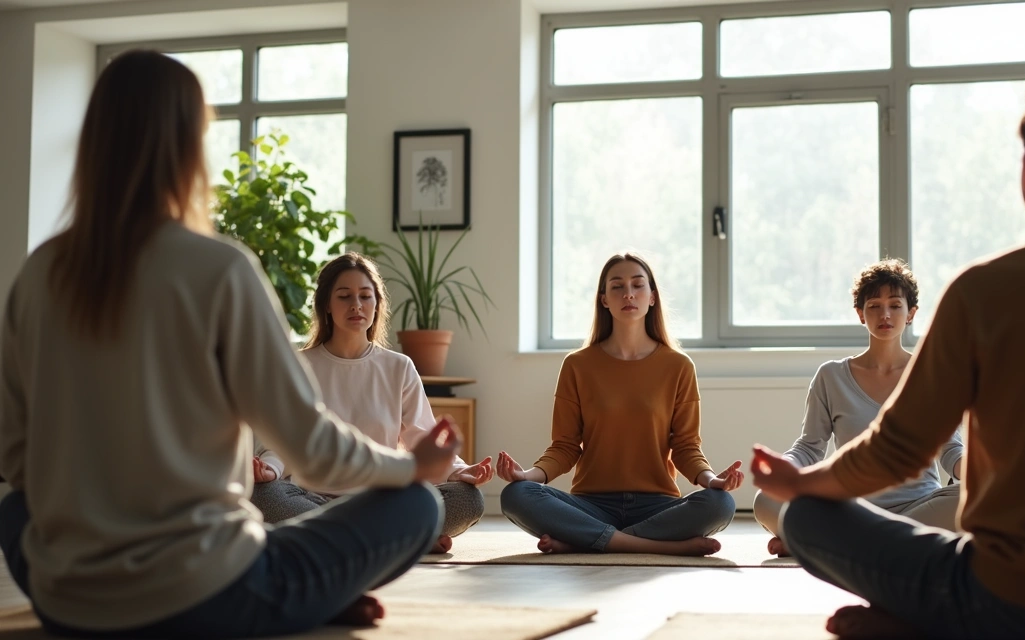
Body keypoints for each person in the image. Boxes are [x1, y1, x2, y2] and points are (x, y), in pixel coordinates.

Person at [0, 50, 461, 638]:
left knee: (13, 510)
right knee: (418, 504)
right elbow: (313, 449)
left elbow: (15, 458)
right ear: (188, 146)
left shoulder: (38, 274)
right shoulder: (219, 269)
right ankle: (307, 597)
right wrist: (412, 465)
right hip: (207, 596)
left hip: (69, 601)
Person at [752, 71, 1025, 639]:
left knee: (806, 515)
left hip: (1005, 604)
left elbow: (896, 452)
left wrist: (800, 485)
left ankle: (933, 621)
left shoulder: (982, 291)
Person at [496, 253, 742, 556]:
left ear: (652, 297)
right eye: (617, 286)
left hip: (657, 505)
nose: (628, 294)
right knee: (516, 495)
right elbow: (565, 447)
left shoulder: (678, 366)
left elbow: (685, 447)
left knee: (720, 503)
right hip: (591, 504)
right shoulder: (577, 365)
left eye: (638, 285)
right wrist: (526, 476)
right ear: (604, 300)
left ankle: (586, 541)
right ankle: (655, 546)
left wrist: (712, 480)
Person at [251, 252, 492, 553]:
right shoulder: (298, 365)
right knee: (264, 496)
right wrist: (271, 469)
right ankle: (398, 539)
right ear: (326, 304)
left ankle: (342, 541)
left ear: (377, 304)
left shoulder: (399, 366)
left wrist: (458, 471)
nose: (356, 305)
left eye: (365, 296)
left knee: (468, 499)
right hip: (312, 500)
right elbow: (284, 438)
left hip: (381, 501)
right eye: (344, 296)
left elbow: (422, 438)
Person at [753, 259, 964, 557]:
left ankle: (828, 546)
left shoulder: (932, 374)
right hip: (850, 511)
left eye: (895, 305)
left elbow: (951, 449)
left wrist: (979, 474)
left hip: (918, 508)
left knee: (971, 495)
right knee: (766, 500)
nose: (885, 314)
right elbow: (810, 448)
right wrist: (784, 468)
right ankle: (883, 548)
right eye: (874, 306)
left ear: (911, 313)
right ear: (860, 314)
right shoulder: (831, 376)